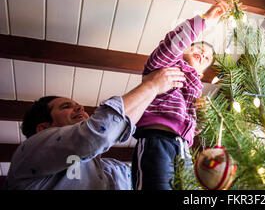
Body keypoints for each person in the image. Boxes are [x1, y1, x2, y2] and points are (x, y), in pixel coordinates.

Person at [5, 67, 186, 190]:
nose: (80, 108)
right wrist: (151, 85)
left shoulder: (113, 169)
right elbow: (98, 133)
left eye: (78, 105)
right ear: (43, 128)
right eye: (66, 106)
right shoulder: (28, 154)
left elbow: (156, 177)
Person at [132, 1, 228, 190]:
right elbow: (172, 45)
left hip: (184, 148)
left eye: (207, 57)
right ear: (184, 49)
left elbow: (194, 126)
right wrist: (205, 20)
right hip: (157, 140)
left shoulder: (195, 89)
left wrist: (201, 117)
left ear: (201, 73)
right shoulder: (165, 66)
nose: (202, 54)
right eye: (198, 48)